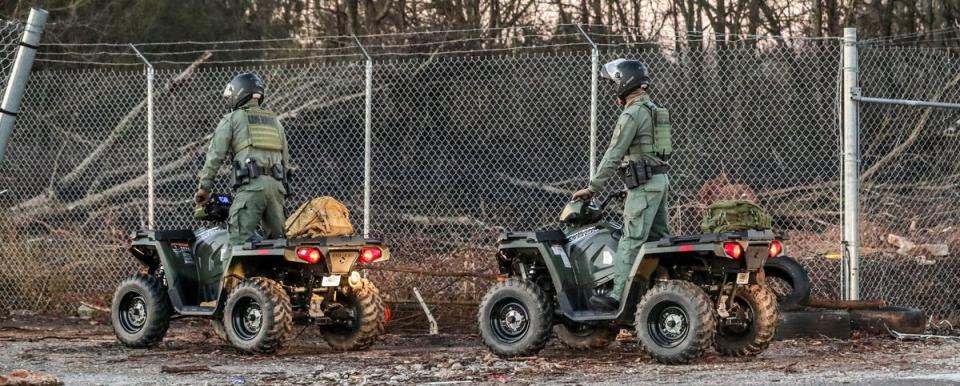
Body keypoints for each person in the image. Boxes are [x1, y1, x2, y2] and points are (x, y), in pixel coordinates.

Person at [572, 59, 671, 311]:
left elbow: (614, 153)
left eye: (614, 82)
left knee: (631, 240)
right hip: (659, 181)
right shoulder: (653, 108)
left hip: (644, 185)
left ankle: (617, 297)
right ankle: (665, 288)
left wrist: (593, 187)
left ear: (624, 82)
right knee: (659, 239)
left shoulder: (632, 113)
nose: (612, 88)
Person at [194, 73, 291, 245]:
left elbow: (215, 156)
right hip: (277, 190)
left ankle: (234, 273)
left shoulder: (232, 119)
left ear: (239, 92)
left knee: (237, 245)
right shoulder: (275, 121)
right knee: (279, 246)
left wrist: (204, 188)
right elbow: (285, 159)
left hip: (251, 189)